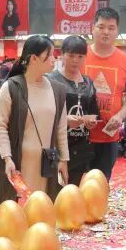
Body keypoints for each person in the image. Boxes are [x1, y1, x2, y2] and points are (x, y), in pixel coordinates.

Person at [0, 35, 69, 207]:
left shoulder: (57, 90)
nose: (54, 59)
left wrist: (64, 159)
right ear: (34, 58)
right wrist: (7, 158)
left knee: (43, 208)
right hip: (19, 163)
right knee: (18, 210)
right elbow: (1, 126)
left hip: (47, 165)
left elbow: (61, 128)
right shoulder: (11, 88)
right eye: (49, 55)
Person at [83, 8, 126, 179]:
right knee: (74, 186)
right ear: (93, 28)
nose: (106, 32)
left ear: (117, 31)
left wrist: (120, 116)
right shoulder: (80, 56)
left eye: (111, 28)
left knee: (101, 184)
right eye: (101, 26)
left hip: (108, 137)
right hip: (79, 136)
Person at [48, 35, 99, 187]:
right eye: (71, 55)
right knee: (54, 192)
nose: (75, 60)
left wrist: (91, 122)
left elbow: (94, 112)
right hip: (56, 147)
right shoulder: (50, 80)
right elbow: (42, 115)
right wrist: (65, 121)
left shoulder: (88, 82)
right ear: (62, 55)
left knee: (74, 192)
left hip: (81, 149)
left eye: (80, 56)